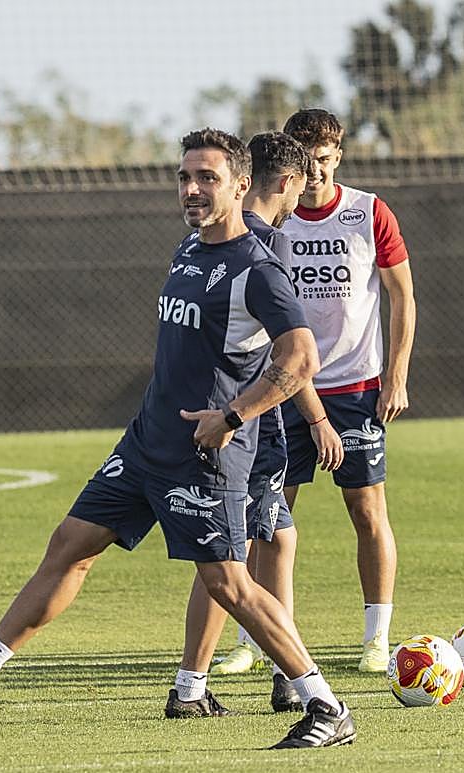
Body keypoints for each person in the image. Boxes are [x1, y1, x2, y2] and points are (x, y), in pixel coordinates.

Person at [0, 128, 356, 749]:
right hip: (146, 444)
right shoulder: (187, 251)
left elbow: (301, 357)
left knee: (229, 583)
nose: (192, 190)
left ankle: (325, 705)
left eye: (208, 179)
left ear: (241, 186)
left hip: (205, 455)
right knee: (70, 545)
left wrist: (235, 416)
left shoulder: (258, 268)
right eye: (184, 177)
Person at [168, 131, 342, 717]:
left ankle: (199, 683)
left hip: (235, 422)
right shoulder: (258, 246)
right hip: (248, 429)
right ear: (286, 183)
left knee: (238, 548)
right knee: (242, 550)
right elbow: (288, 356)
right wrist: (316, 417)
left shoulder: (209, 241)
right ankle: (282, 678)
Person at [270, 108, 415, 672]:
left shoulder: (369, 212)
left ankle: (377, 638)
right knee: (269, 514)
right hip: (283, 389)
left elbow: (402, 297)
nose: (315, 177)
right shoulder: (274, 217)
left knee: (367, 511)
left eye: (326, 163)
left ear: (340, 157)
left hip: (357, 389)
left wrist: (397, 375)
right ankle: (257, 637)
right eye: (306, 165)